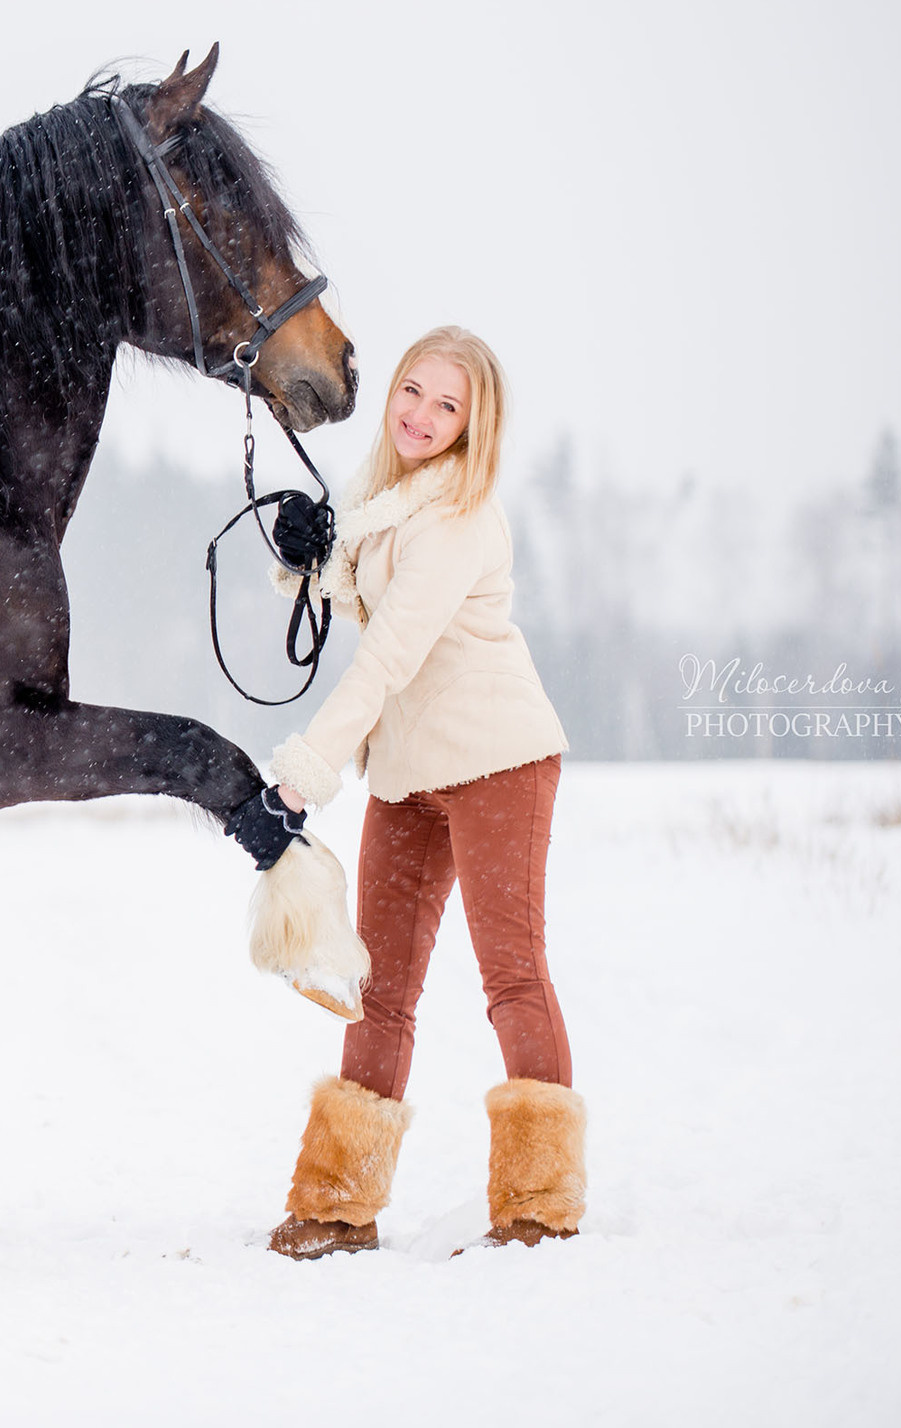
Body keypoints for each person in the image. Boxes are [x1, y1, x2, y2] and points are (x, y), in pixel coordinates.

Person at [259, 325, 581, 1259]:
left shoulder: (460, 519)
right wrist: (307, 555)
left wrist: (308, 767)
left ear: (475, 425)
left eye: (449, 405)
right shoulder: (382, 503)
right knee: (377, 989)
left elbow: (391, 653)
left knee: (510, 976)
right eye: (414, 391)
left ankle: (541, 1199)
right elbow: (355, 602)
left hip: (497, 762)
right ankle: (336, 1204)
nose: (423, 416)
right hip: (406, 774)